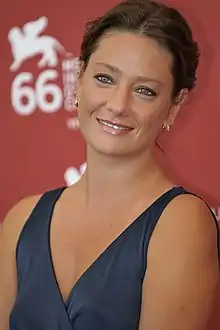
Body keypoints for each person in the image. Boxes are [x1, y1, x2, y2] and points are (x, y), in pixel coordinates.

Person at [1, 0, 219, 329]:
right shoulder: (21, 222)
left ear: (174, 106)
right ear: (80, 78)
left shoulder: (181, 223)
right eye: (105, 78)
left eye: (144, 90)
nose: (118, 105)